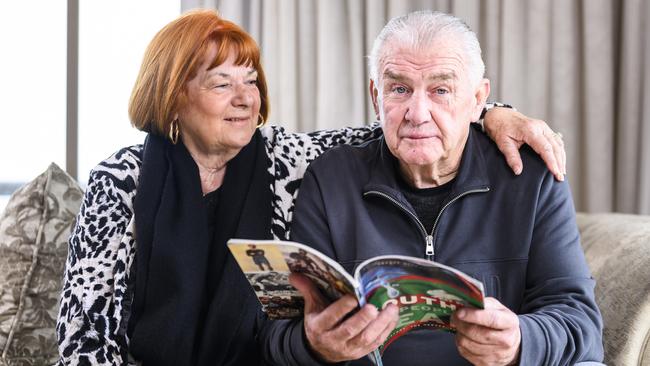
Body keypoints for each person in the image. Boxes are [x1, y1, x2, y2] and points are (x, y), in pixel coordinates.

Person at [56, 9, 568, 366]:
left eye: (251, 80)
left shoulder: (284, 159)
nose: (245, 99)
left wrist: (496, 111)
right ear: (171, 97)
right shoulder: (121, 182)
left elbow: (409, 124)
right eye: (220, 83)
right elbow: (84, 340)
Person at [265, 10, 603, 366]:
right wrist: (314, 345)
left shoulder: (530, 176)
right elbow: (277, 333)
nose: (417, 113)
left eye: (441, 90)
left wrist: (520, 340)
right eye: (399, 89)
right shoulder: (329, 178)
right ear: (374, 96)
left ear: (477, 100)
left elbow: (580, 325)